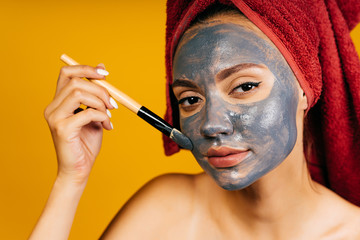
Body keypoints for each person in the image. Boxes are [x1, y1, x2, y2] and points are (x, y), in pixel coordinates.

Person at [29, 1, 360, 239]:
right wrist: (69, 181)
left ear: (306, 88)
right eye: (190, 100)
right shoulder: (166, 212)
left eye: (245, 86)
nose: (210, 124)